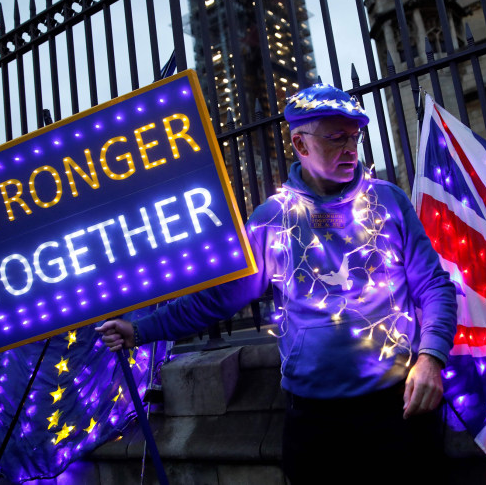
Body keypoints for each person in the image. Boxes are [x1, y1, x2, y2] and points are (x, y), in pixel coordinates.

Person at [97, 83, 458, 483]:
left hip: (398, 411)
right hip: (314, 424)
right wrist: (141, 330)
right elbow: (218, 300)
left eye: (354, 136)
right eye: (336, 137)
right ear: (300, 144)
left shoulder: (389, 201)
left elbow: (434, 287)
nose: (351, 148)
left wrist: (431, 359)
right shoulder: (273, 218)